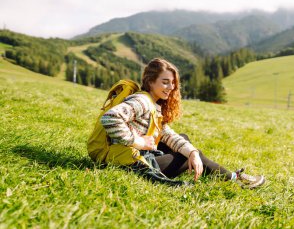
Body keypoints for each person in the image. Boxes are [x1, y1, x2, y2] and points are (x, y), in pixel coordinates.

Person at [100, 58, 265, 189]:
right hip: (129, 163)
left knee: (184, 142)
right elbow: (110, 118)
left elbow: (167, 134)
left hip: (133, 156)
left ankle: (216, 171)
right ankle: (234, 179)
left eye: (172, 83)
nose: (171, 87)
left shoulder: (153, 104)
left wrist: (192, 152)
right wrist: (139, 141)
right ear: (150, 82)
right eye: (165, 82)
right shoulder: (142, 101)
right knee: (186, 156)